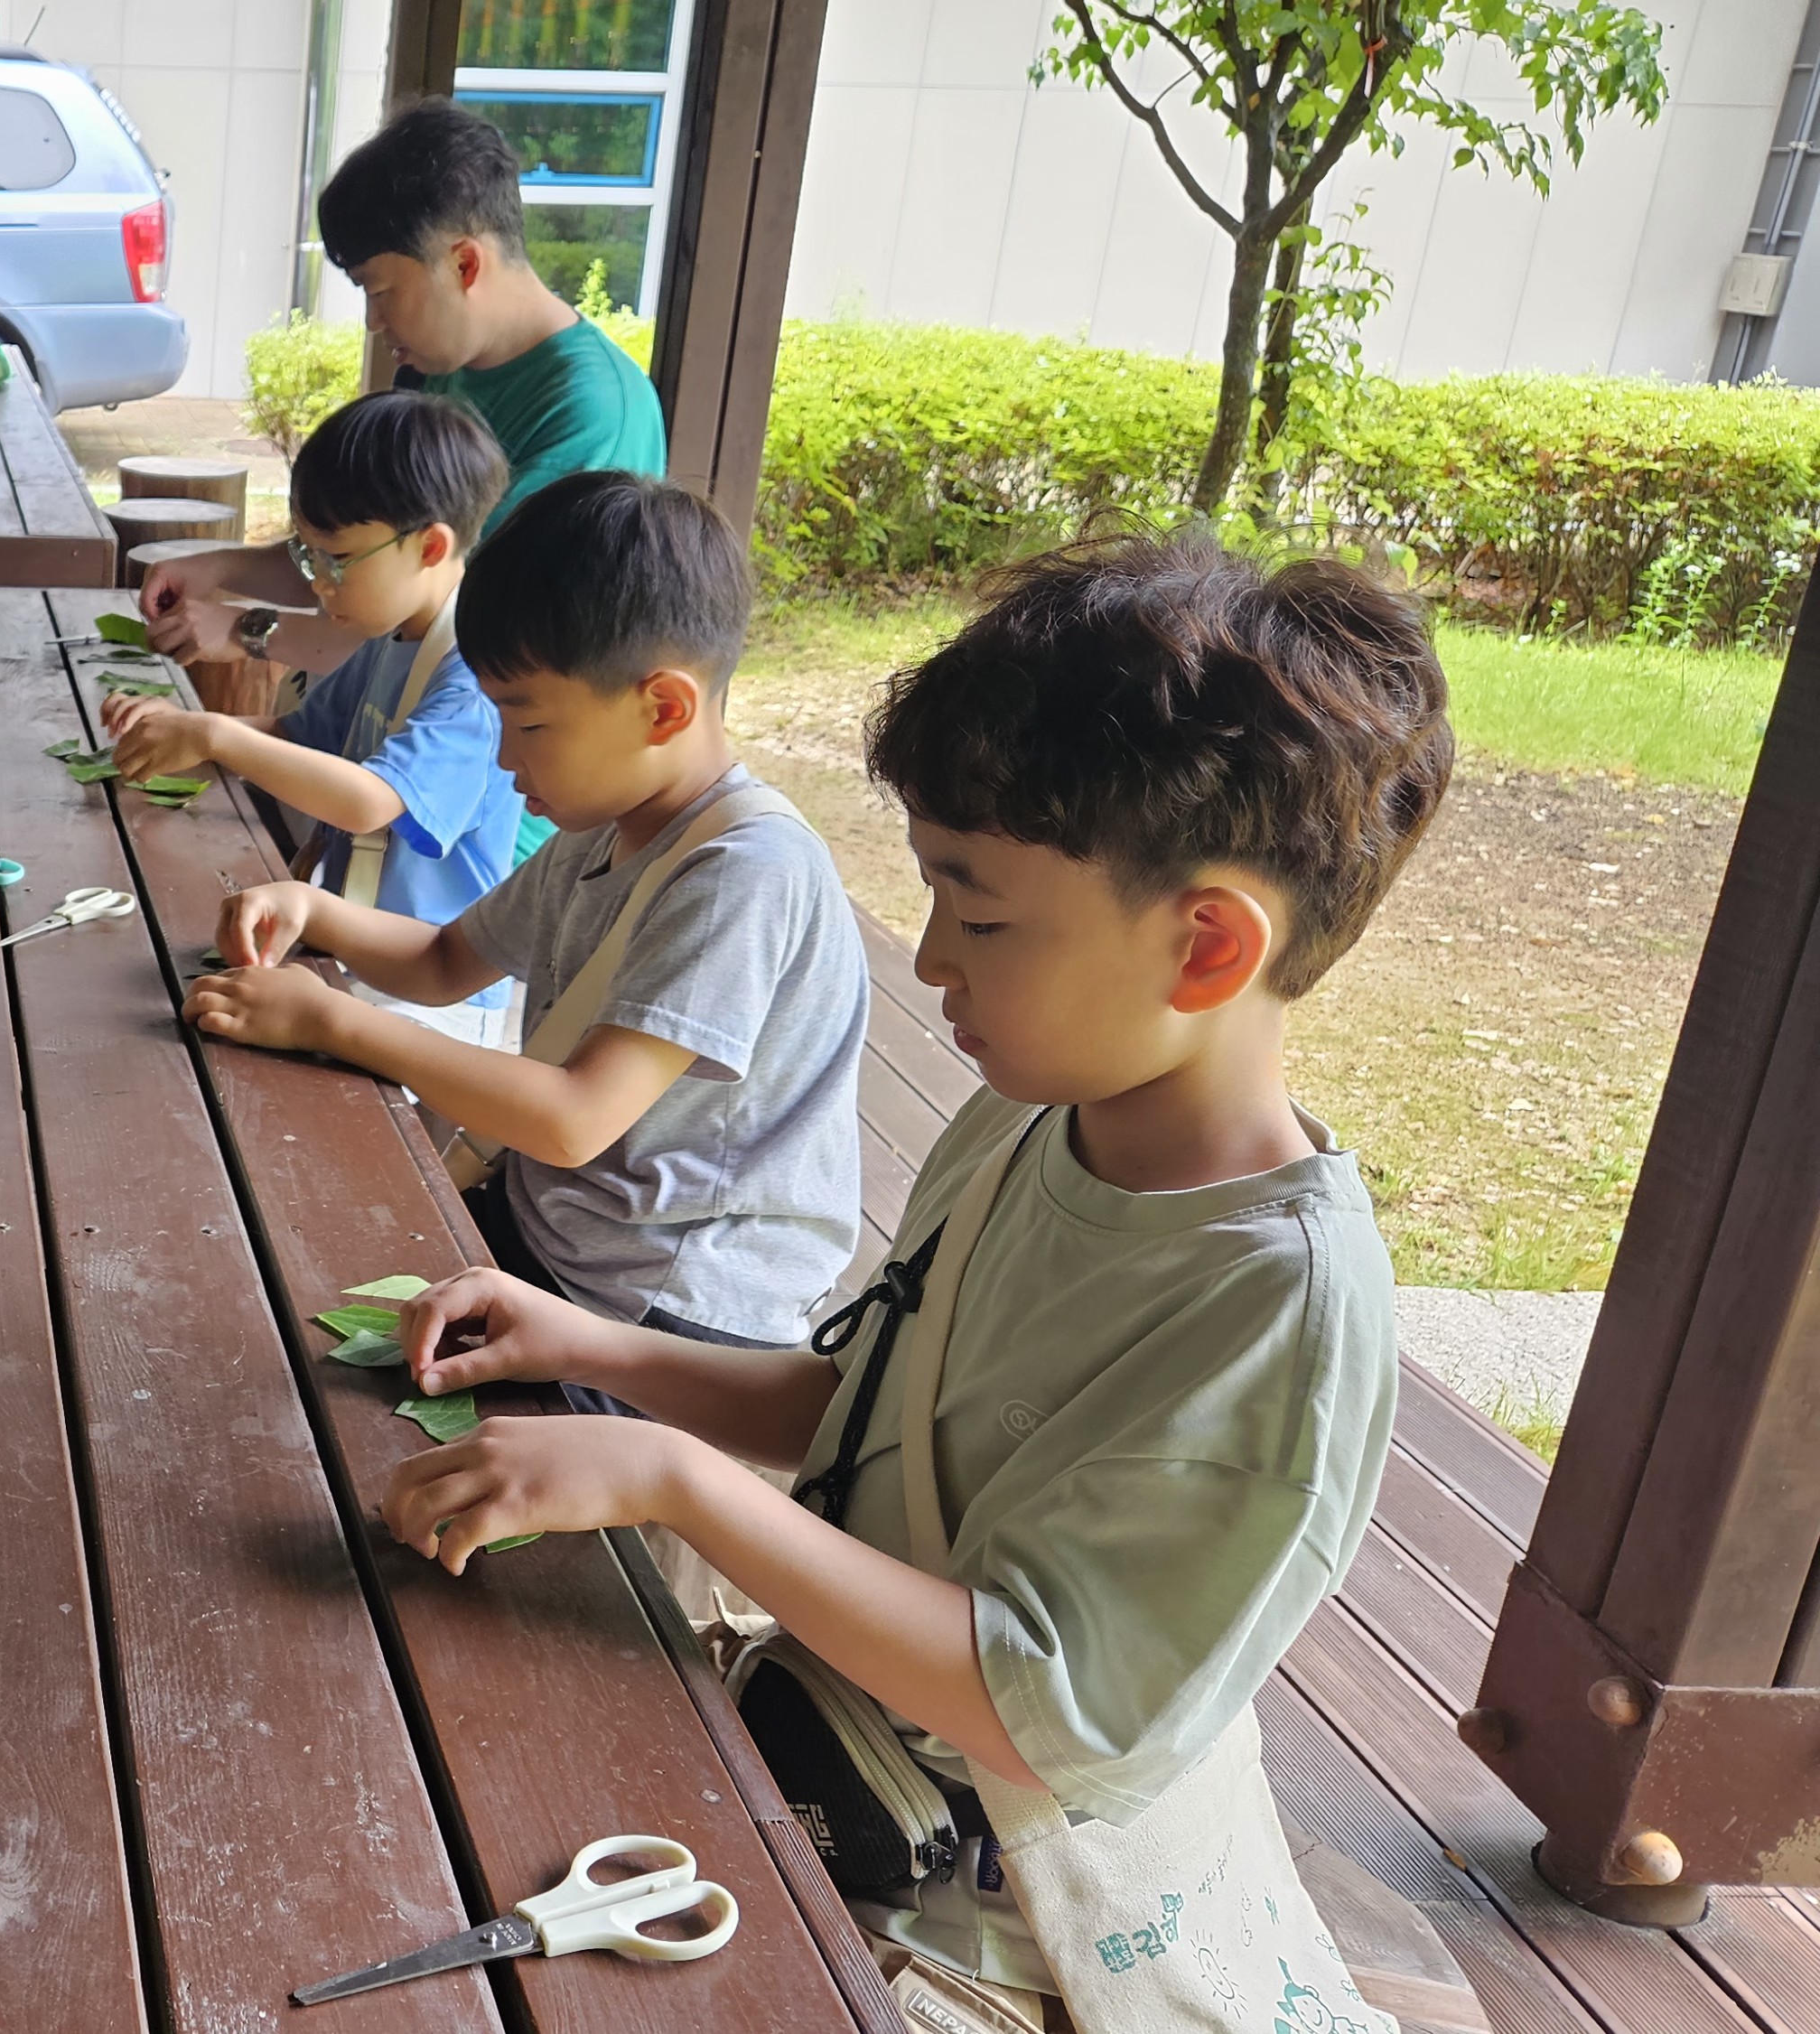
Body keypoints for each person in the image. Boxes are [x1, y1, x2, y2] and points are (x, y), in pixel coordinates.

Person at [371, 534, 1450, 2026]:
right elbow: (880, 1408)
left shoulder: (1274, 1314)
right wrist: (600, 1348)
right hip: (819, 1754)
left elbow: (1038, 1709)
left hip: (974, 1928)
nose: (930, 957)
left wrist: (678, 1481)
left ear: (1203, 946)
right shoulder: (1033, 1112)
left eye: (982, 910)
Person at [189, 471, 866, 1355]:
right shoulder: (609, 824)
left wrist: (337, 1020)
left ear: (662, 706)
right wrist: (310, 908)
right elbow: (442, 961)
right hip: (551, 1235)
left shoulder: (743, 873)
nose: (505, 756)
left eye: (529, 722)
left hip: (662, 1314)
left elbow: (573, 1116)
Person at [136, 99, 667, 686]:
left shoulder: (591, 414)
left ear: (464, 264)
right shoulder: (440, 364)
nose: (371, 321)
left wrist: (246, 630)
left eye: (379, 290)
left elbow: (448, 620)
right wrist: (217, 570)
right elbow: (363, 556)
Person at [102, 390, 524, 1047]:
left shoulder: (474, 680)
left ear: (431, 547)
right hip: (344, 959)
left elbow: (370, 801)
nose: (319, 586)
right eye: (308, 558)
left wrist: (216, 734)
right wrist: (187, 732)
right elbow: (300, 740)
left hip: (428, 1007)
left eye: (336, 562)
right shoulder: (389, 633)